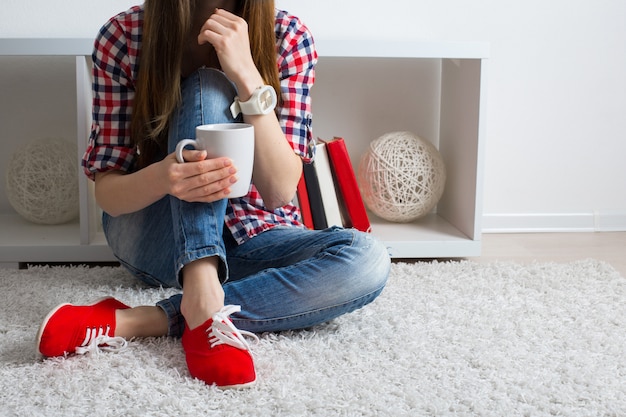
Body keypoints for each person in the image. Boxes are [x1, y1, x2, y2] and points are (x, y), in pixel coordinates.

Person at [36, 0, 390, 389]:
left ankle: (153, 316)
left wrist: (247, 75)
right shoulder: (125, 35)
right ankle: (201, 285)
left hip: (256, 235)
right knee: (207, 85)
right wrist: (165, 178)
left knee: (367, 259)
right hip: (157, 233)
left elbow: (278, 191)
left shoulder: (287, 36)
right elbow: (109, 193)